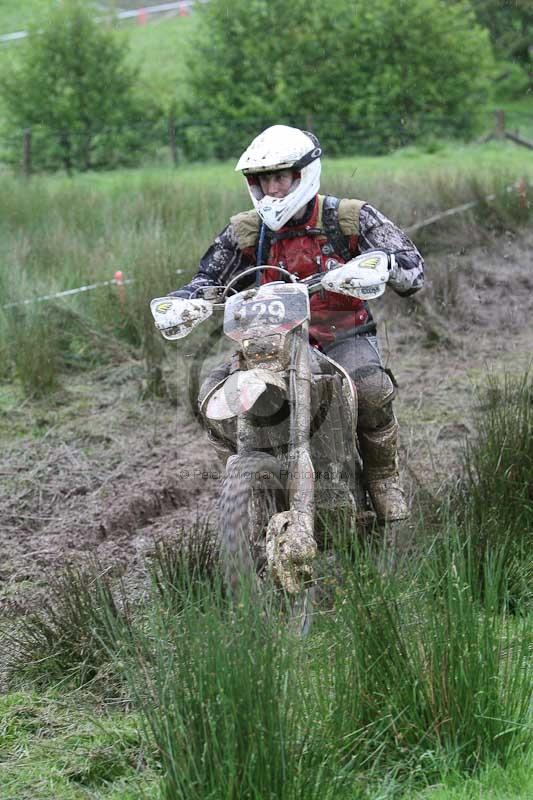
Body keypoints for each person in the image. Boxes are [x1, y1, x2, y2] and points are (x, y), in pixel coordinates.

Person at [171, 125, 424, 524]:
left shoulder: (349, 217)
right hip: (268, 343)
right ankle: (242, 477)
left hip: (342, 335)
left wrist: (380, 267)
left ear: (304, 174)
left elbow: (413, 269)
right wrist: (185, 301)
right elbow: (209, 278)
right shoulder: (244, 230)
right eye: (263, 179)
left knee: (372, 390)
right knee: (211, 394)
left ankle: (382, 474)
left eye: (281, 177)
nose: (272, 188)